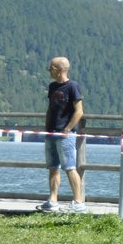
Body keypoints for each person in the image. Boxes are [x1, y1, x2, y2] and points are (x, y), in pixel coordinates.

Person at [38, 56, 86, 213]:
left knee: (70, 167)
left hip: (65, 134)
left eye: (50, 68)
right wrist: (46, 127)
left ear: (58, 70)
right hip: (51, 132)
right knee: (53, 167)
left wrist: (67, 129)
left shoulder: (73, 86)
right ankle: (52, 200)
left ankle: (78, 202)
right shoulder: (52, 87)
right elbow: (50, 108)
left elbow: (79, 111)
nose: (49, 71)